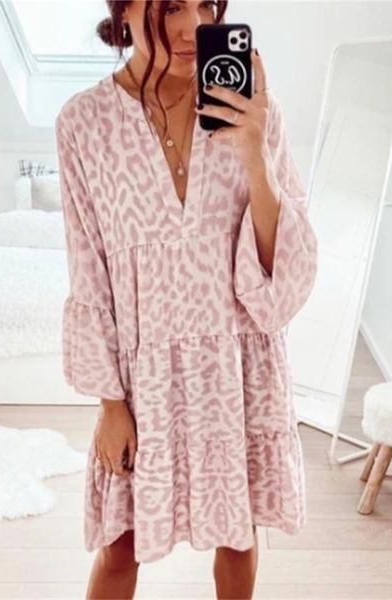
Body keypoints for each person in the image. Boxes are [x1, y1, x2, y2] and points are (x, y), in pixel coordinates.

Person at [55, 1, 319, 598]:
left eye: (206, 5)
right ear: (125, 8)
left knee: (238, 538)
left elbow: (282, 269)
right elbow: (88, 269)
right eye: (172, 5)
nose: (193, 27)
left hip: (236, 369)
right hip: (143, 379)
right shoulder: (84, 123)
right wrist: (110, 404)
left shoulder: (256, 110)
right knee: (120, 548)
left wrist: (255, 153)